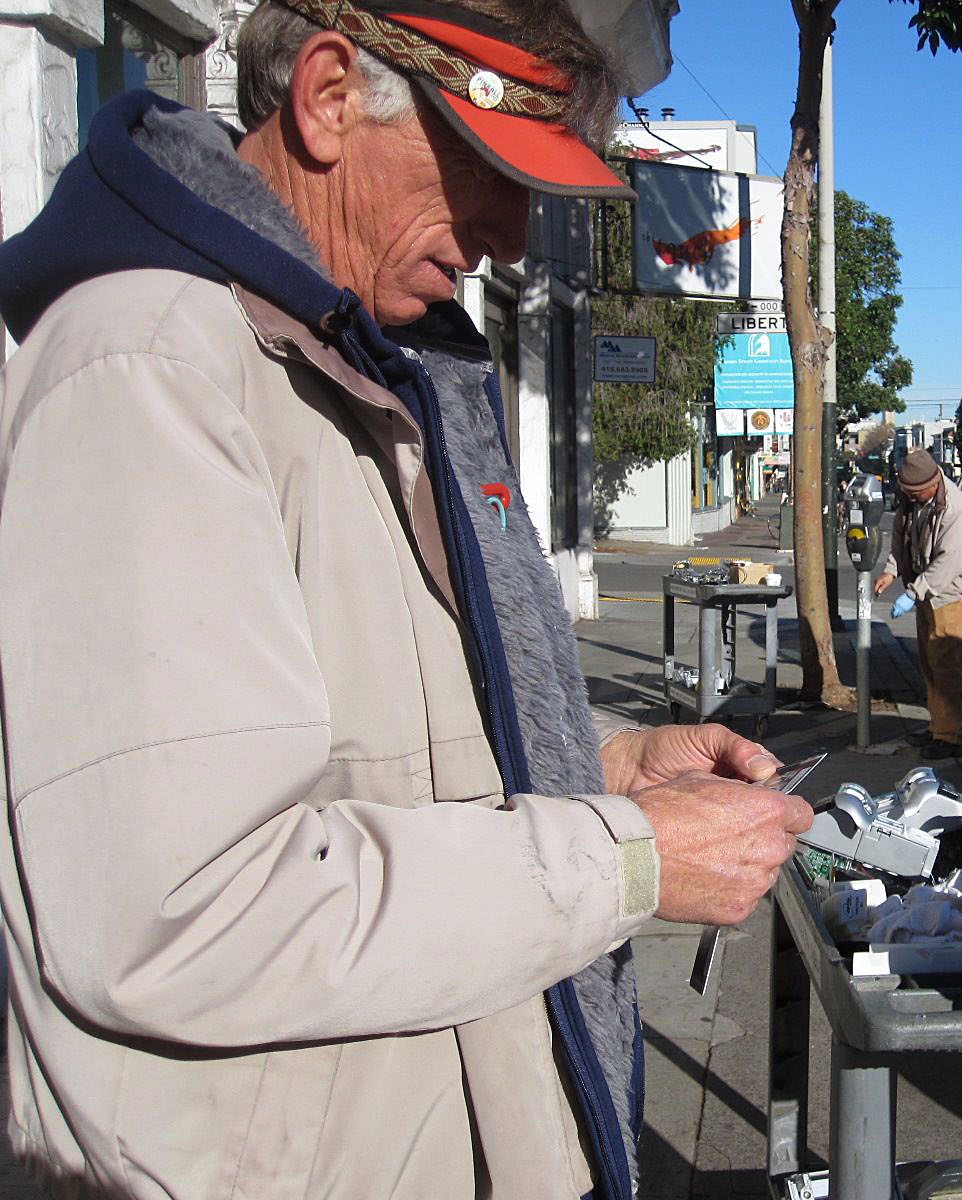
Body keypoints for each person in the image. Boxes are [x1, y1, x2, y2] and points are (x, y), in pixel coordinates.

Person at [0, 1, 812, 1197]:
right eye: (492, 167)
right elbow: (186, 912)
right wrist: (624, 860)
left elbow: (374, 741)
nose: (515, 235)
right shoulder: (154, 365)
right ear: (330, 97)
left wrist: (599, 763)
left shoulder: (362, 354)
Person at [873, 448, 962, 760]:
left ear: (931, 485)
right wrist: (892, 571)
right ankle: (937, 725)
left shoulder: (955, 511)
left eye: (915, 494)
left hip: (950, 594)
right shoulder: (913, 500)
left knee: (947, 664)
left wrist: (913, 593)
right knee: (930, 662)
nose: (911, 498)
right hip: (923, 589)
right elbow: (901, 538)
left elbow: (949, 562)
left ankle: (949, 735)